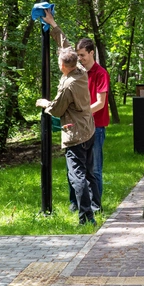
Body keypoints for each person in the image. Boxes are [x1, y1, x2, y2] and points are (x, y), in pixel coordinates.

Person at [42, 10, 109, 209]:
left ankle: (94, 206)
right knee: (76, 170)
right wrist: (53, 24)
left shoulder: (98, 73)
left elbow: (101, 103)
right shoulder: (78, 70)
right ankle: (77, 204)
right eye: (77, 56)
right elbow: (65, 47)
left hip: (94, 127)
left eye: (82, 55)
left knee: (93, 170)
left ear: (92, 53)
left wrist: (81, 115)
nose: (79, 59)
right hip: (79, 126)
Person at [36, 47, 99, 225]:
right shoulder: (81, 72)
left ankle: (86, 218)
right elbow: (67, 46)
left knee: (77, 176)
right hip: (88, 131)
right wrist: (54, 27)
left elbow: (57, 109)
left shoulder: (69, 86)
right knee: (88, 173)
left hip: (76, 136)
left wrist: (44, 103)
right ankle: (95, 208)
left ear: (63, 65)